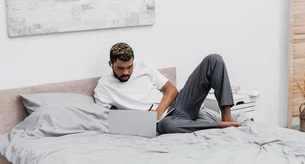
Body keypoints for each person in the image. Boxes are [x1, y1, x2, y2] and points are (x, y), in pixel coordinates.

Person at [93, 42, 242, 135]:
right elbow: (105, 118)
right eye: (120, 68)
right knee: (166, 124)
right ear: (110, 64)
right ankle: (218, 126)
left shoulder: (144, 67)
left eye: (129, 67)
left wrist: (157, 112)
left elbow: (171, 90)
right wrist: (146, 120)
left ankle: (226, 116)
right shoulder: (104, 87)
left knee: (213, 59)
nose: (126, 72)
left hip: (179, 105)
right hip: (162, 122)